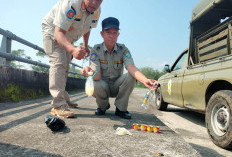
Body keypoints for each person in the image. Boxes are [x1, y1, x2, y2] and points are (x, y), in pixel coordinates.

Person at [81, 17, 159, 119]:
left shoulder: (123, 49)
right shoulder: (96, 49)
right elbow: (97, 76)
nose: (111, 36)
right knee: (96, 83)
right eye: (108, 32)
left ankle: (121, 109)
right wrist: (89, 72)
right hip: (103, 85)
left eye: (114, 32)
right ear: (102, 34)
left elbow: (131, 67)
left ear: (118, 34)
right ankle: (102, 106)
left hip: (117, 85)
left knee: (131, 76)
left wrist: (145, 80)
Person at [42, 0, 103, 118]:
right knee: (58, 64)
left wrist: (85, 45)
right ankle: (58, 105)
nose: (95, 3)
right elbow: (58, 32)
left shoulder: (96, 10)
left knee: (65, 68)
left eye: (99, 0)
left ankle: (63, 99)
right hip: (52, 33)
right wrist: (73, 50)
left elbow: (88, 27)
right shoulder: (70, 4)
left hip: (68, 37)